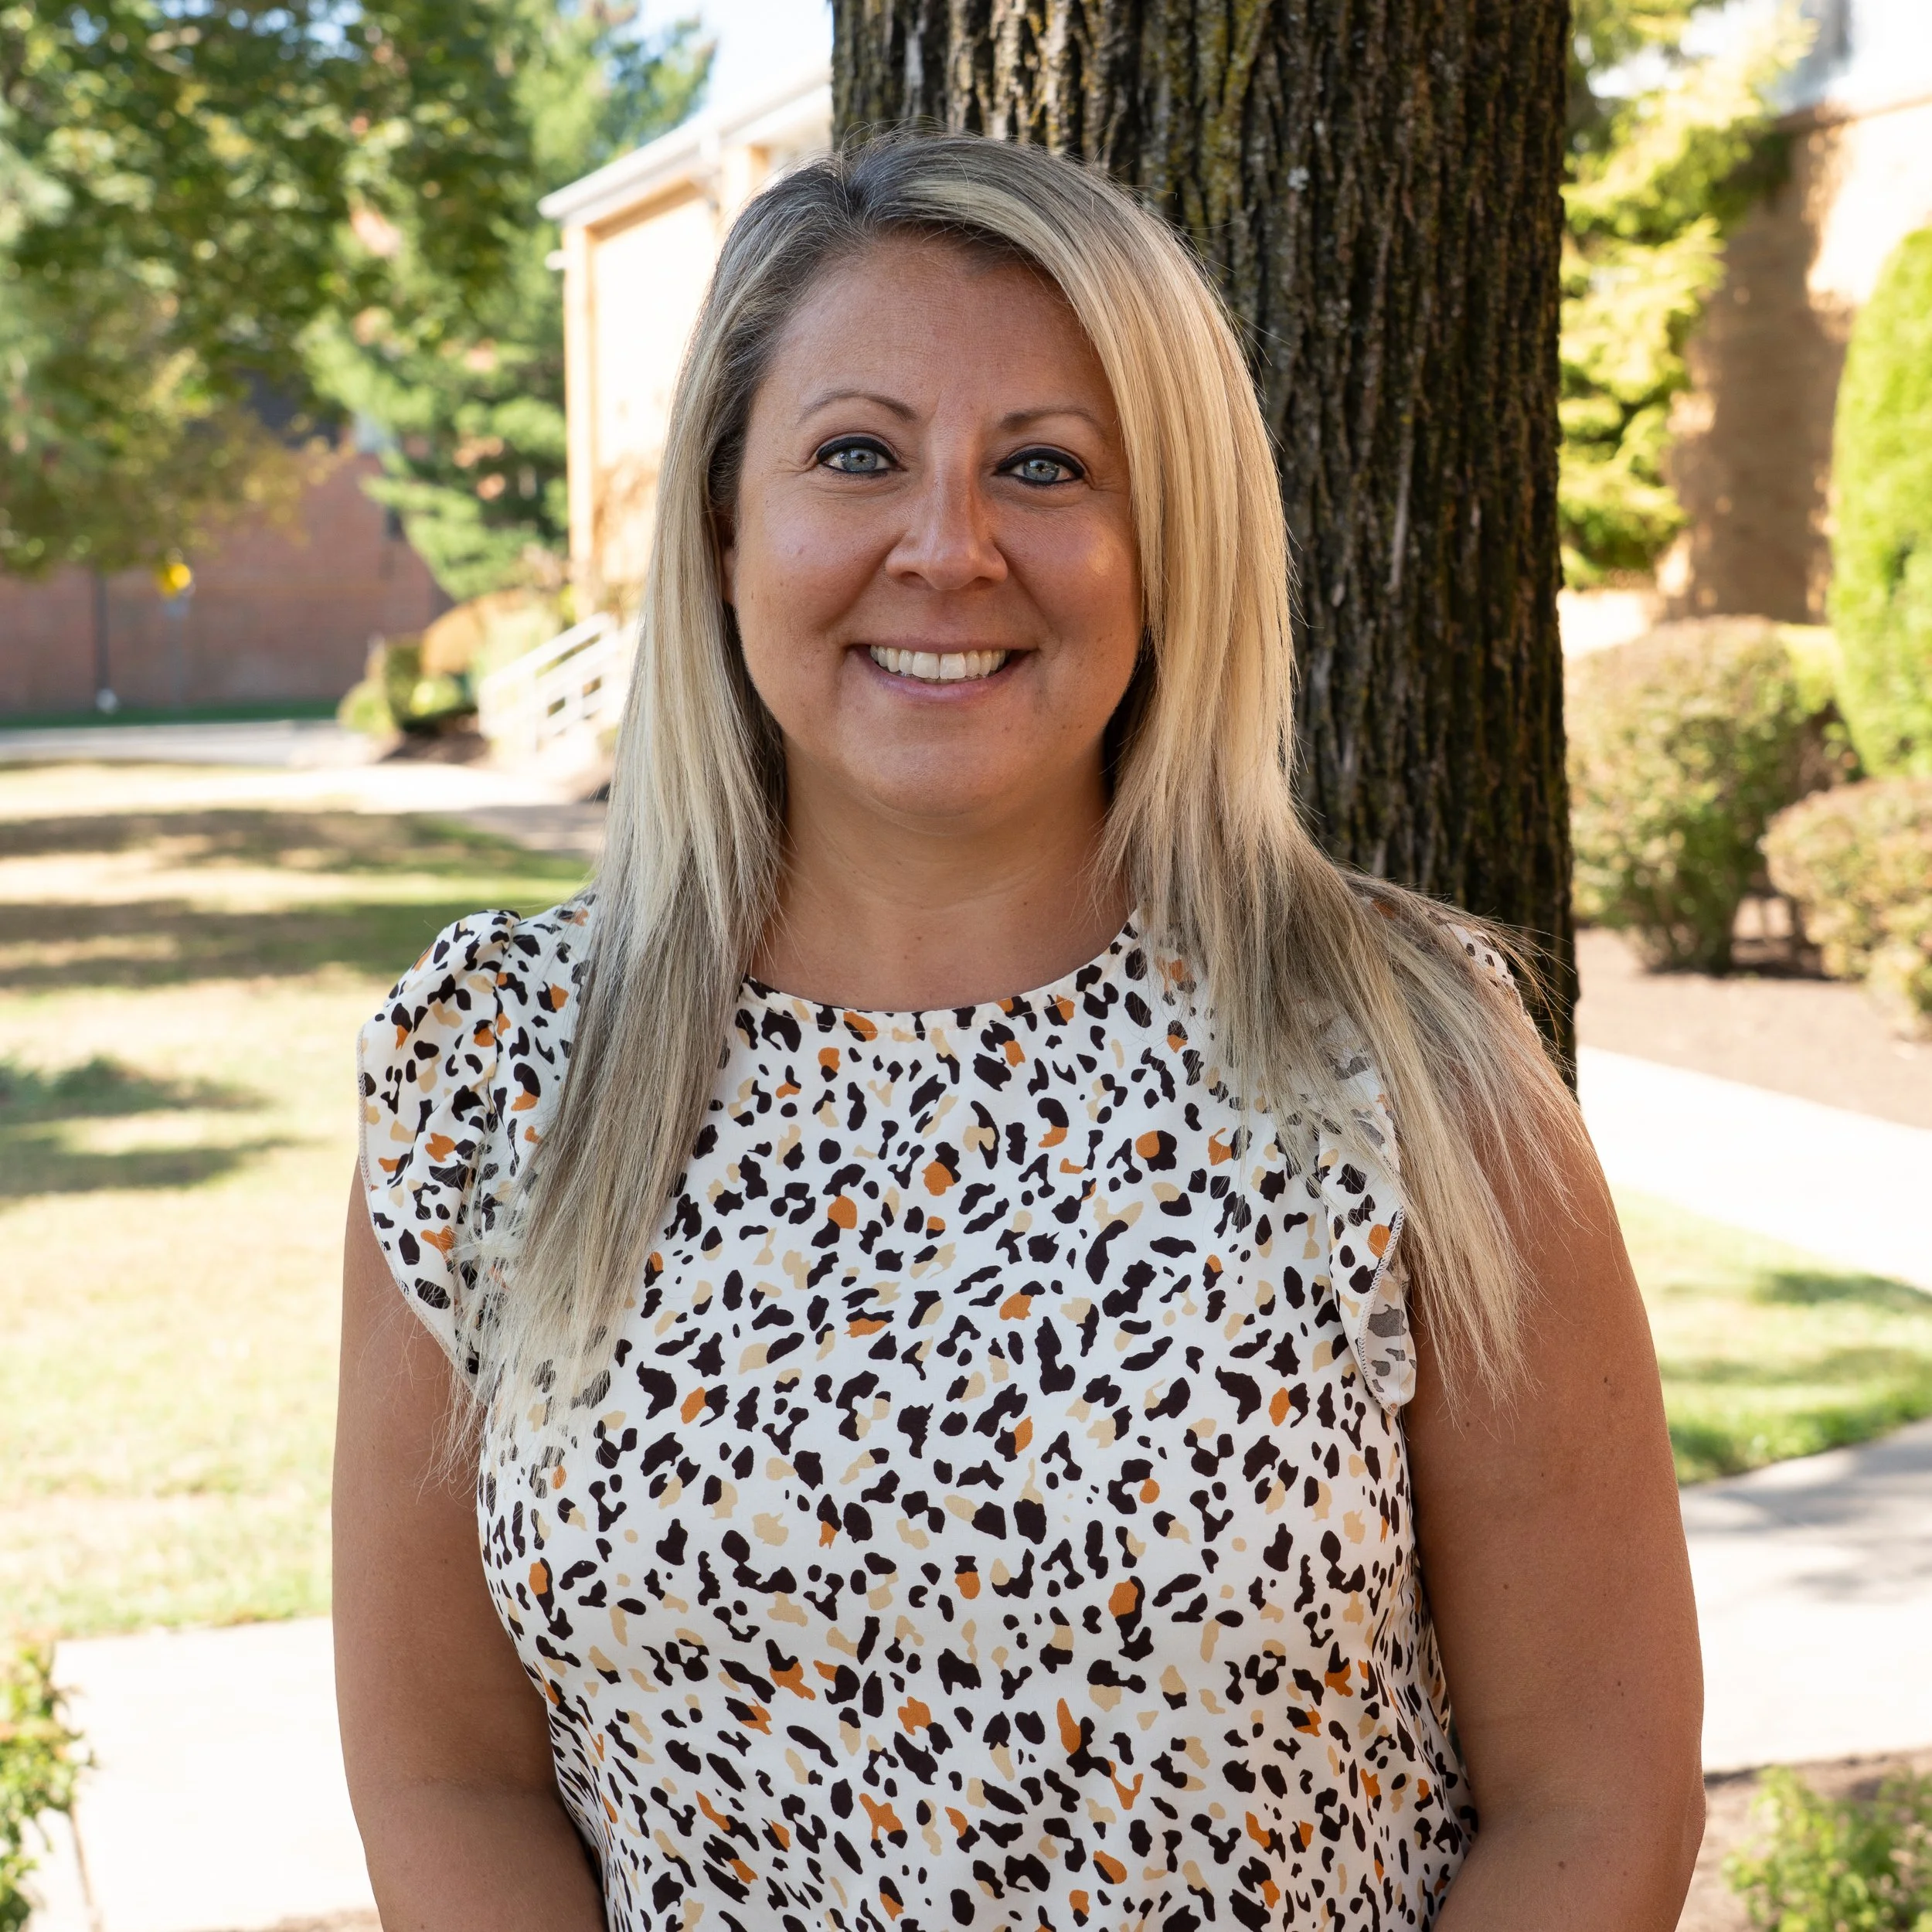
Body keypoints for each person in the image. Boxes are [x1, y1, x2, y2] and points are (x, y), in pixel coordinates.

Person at [334, 133, 1702, 1932]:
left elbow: (1593, 1801)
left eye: (1044, 467)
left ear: (1167, 545)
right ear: (727, 523)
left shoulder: (1409, 1058)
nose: (948, 546)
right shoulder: (490, 1070)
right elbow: (448, 1776)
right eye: (855, 454)